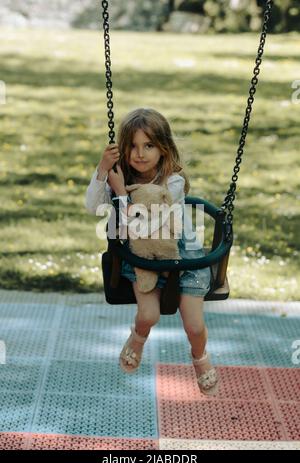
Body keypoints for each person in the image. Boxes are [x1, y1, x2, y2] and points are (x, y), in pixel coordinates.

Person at [85, 108, 218, 395]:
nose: (140, 153)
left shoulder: (173, 182)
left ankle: (200, 358)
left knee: (194, 326)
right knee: (148, 315)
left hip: (185, 256)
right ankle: (137, 338)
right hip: (143, 257)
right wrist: (102, 171)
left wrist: (121, 195)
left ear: (163, 149)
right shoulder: (119, 176)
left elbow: (147, 224)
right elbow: (93, 207)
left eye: (148, 145)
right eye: (132, 145)